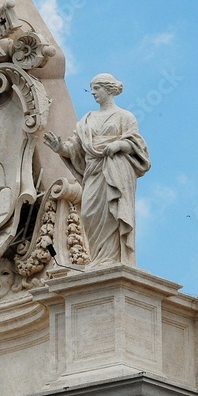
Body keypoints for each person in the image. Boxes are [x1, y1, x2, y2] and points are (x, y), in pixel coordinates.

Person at [43, 73, 150, 269]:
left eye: (97, 88)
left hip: (115, 170)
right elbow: (74, 148)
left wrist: (119, 144)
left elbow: (137, 145)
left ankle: (113, 259)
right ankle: (99, 258)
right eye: (92, 88)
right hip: (93, 172)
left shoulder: (124, 117)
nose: (93, 92)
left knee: (112, 213)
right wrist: (60, 148)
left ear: (108, 89)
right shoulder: (87, 120)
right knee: (89, 214)